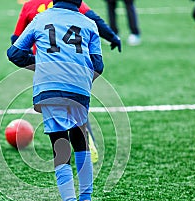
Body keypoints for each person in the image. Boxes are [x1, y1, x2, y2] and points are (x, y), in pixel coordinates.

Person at [7, 0, 103, 201]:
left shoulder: (41, 19)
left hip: (49, 88)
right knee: (80, 139)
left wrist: (41, 63)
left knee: (60, 147)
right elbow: (98, 65)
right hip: (80, 89)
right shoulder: (89, 23)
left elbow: (14, 53)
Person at [11, 0, 120, 163]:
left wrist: (28, 58)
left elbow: (16, 39)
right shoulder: (72, 2)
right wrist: (112, 36)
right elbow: (94, 19)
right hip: (73, 64)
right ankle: (85, 143)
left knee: (53, 103)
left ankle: (62, 148)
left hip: (44, 65)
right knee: (75, 99)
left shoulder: (30, 6)